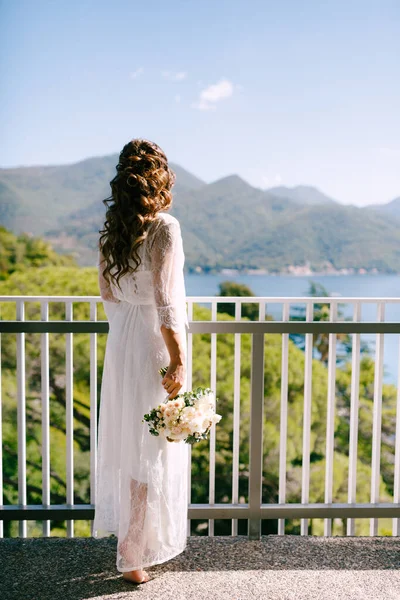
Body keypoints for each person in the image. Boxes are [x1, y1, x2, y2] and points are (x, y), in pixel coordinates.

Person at [93, 139, 190, 584]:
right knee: (151, 445)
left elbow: (109, 295)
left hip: (124, 341)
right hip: (151, 340)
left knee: (132, 442)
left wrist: (127, 329)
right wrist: (178, 361)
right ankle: (134, 550)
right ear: (160, 180)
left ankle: (132, 543)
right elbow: (167, 302)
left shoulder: (112, 231)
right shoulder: (164, 228)